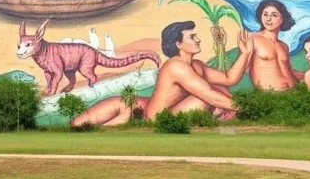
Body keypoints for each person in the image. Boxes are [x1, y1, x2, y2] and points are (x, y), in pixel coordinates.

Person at [71, 20, 255, 126]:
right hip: (152, 114)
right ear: (178, 44)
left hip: (158, 112)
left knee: (216, 90)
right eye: (192, 37)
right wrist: (251, 109)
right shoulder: (176, 66)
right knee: (78, 123)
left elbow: (229, 78)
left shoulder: (197, 65)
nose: (198, 40)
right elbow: (209, 95)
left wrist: (245, 54)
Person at [248, 0, 300, 90]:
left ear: (282, 19)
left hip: (292, 93)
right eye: (265, 14)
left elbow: (288, 71)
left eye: (274, 15)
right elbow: (243, 68)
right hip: (270, 96)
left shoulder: (284, 46)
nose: (268, 19)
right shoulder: (253, 39)